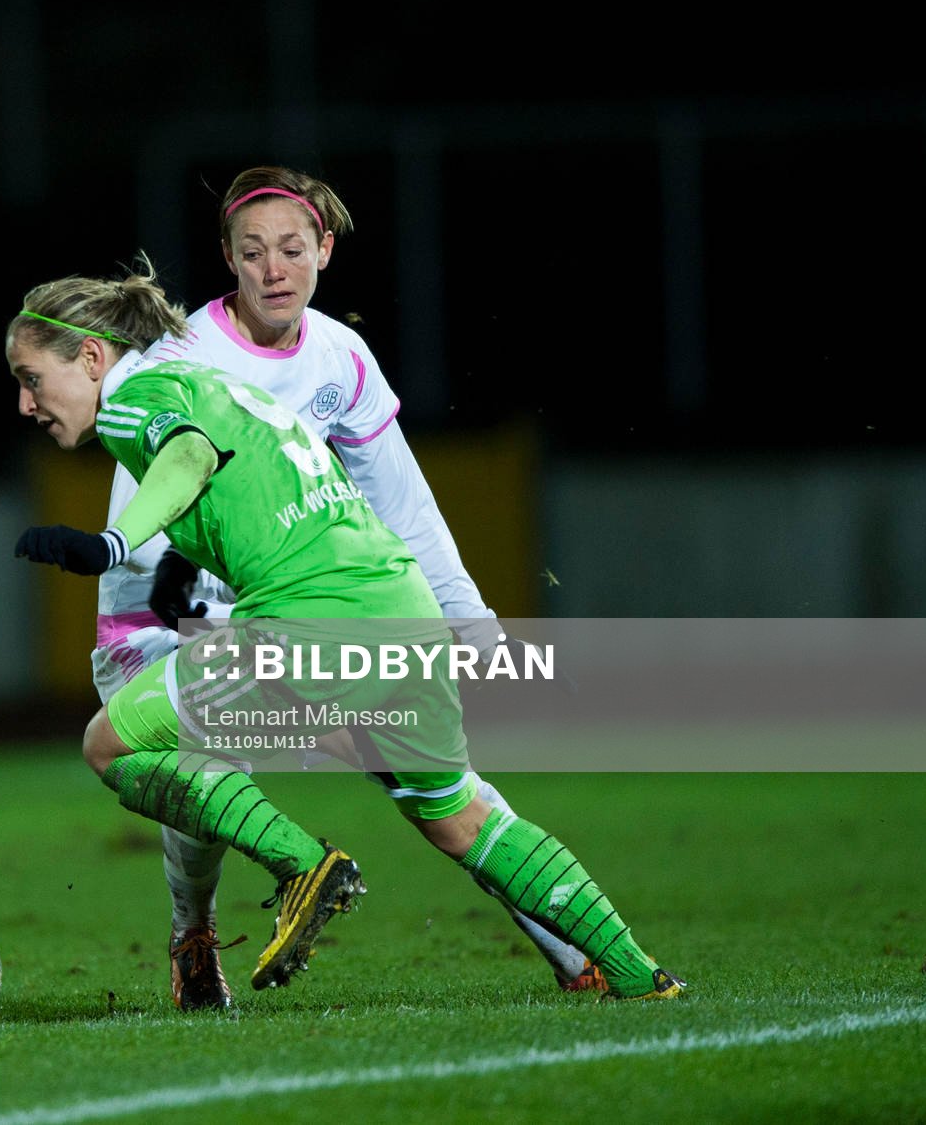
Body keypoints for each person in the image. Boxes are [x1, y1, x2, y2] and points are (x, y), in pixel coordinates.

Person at [5, 266, 683, 1002]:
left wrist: (113, 543)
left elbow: (189, 456)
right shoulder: (218, 383)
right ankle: (638, 974)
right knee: (458, 814)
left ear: (93, 358)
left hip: (304, 623)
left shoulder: (132, 399)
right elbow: (254, 481)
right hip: (396, 602)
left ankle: (300, 863)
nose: (24, 400)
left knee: (110, 743)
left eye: (32, 377)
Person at [88, 166, 597, 1010]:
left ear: (324, 249)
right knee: (205, 765)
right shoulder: (178, 360)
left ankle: (574, 947)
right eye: (253, 254)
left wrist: (473, 627)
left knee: (433, 774)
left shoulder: (341, 357)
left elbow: (405, 509)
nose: (274, 269)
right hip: (161, 620)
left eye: (292, 249)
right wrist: (197, 621)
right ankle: (194, 937)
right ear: (228, 259)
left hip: (296, 614)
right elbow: (142, 524)